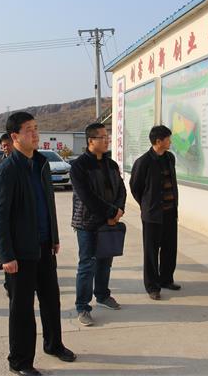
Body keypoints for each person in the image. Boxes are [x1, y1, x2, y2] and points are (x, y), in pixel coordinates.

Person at [0, 112, 76, 376]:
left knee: (51, 300)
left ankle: (54, 344)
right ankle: (19, 361)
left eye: (36, 128)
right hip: (20, 253)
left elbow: (48, 203)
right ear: (15, 136)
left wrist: (54, 237)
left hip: (44, 246)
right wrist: (6, 255)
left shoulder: (40, 163)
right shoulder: (7, 170)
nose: (35, 133)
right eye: (29, 129)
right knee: (22, 309)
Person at [70, 122, 126, 326]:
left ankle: (102, 295)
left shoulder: (111, 164)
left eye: (107, 136)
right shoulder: (79, 166)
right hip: (87, 223)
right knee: (87, 264)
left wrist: (118, 210)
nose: (106, 140)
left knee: (105, 262)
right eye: (102, 137)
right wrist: (110, 213)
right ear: (90, 141)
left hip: (110, 221)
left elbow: (121, 189)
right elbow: (87, 197)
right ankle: (83, 307)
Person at [129, 125, 180, 300]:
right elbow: (135, 187)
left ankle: (166, 279)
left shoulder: (170, 158)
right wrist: (146, 205)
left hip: (170, 212)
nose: (170, 141)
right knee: (151, 251)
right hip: (152, 215)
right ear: (158, 141)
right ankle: (152, 286)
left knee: (170, 248)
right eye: (168, 139)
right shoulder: (143, 162)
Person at [0, 133, 14, 276]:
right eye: (3, 146)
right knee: (1, 232)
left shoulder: (20, 160)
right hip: (2, 200)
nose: (6, 148)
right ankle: (2, 258)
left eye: (8, 145)